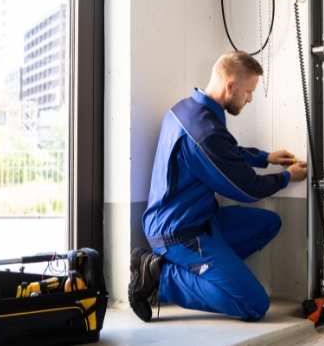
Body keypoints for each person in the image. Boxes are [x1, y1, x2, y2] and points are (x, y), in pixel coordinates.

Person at [129, 51, 309, 322]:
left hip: (203, 219)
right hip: (179, 233)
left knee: (269, 224)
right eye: (249, 91)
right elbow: (248, 189)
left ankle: (211, 273)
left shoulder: (187, 110)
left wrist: (265, 158)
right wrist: (285, 177)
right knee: (255, 305)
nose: (250, 98)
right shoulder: (204, 133)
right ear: (230, 86)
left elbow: (226, 152)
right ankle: (161, 277)